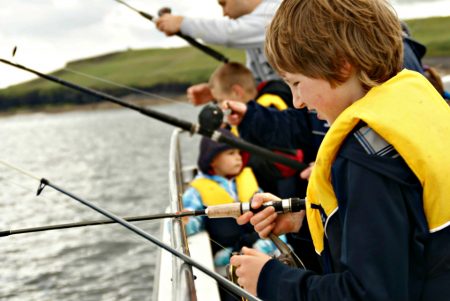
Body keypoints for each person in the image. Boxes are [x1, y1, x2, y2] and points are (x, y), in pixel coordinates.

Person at [228, 0, 450, 300]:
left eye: (296, 82)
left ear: (341, 66)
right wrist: (306, 220)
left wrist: (270, 279)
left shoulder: (363, 157)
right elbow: (403, 232)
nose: (297, 101)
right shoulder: (418, 109)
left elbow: (370, 293)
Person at [182, 128, 285, 269]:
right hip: (229, 258)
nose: (238, 157)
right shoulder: (196, 191)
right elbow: (189, 223)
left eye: (239, 153)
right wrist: (186, 221)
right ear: (212, 160)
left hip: (263, 248)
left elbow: (271, 216)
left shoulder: (249, 182)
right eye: (231, 153)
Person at [155, 0, 282, 105]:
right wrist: (217, 92)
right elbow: (255, 85)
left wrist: (182, 23)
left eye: (223, 4)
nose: (224, 13)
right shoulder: (254, 32)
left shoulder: (277, 12)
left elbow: (231, 33)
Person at [209, 61, 306, 197]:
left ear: (237, 92)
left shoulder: (270, 106)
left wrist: (239, 160)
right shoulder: (243, 117)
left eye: (219, 100)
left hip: (284, 189)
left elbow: (287, 161)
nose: (219, 106)